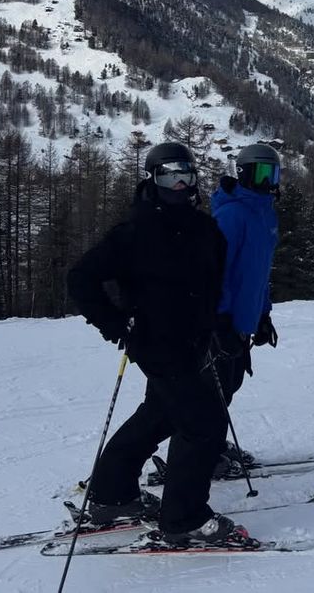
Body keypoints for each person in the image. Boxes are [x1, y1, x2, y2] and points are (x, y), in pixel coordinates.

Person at [66, 142, 250, 548]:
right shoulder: (135, 232)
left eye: (185, 174)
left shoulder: (205, 230)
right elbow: (80, 278)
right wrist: (114, 323)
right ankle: (183, 519)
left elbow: (212, 285)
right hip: (156, 344)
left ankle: (112, 494)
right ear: (152, 179)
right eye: (169, 175)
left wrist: (220, 326)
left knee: (161, 414)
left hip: (195, 342)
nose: (179, 184)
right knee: (204, 425)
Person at [211, 143, 282, 403]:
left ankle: (210, 435)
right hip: (222, 325)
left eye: (273, 174)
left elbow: (259, 273)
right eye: (262, 173)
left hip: (242, 324)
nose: (268, 182)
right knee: (211, 398)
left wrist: (263, 314)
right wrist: (220, 322)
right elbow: (216, 272)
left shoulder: (266, 216)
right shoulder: (231, 215)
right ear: (245, 172)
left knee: (230, 387)